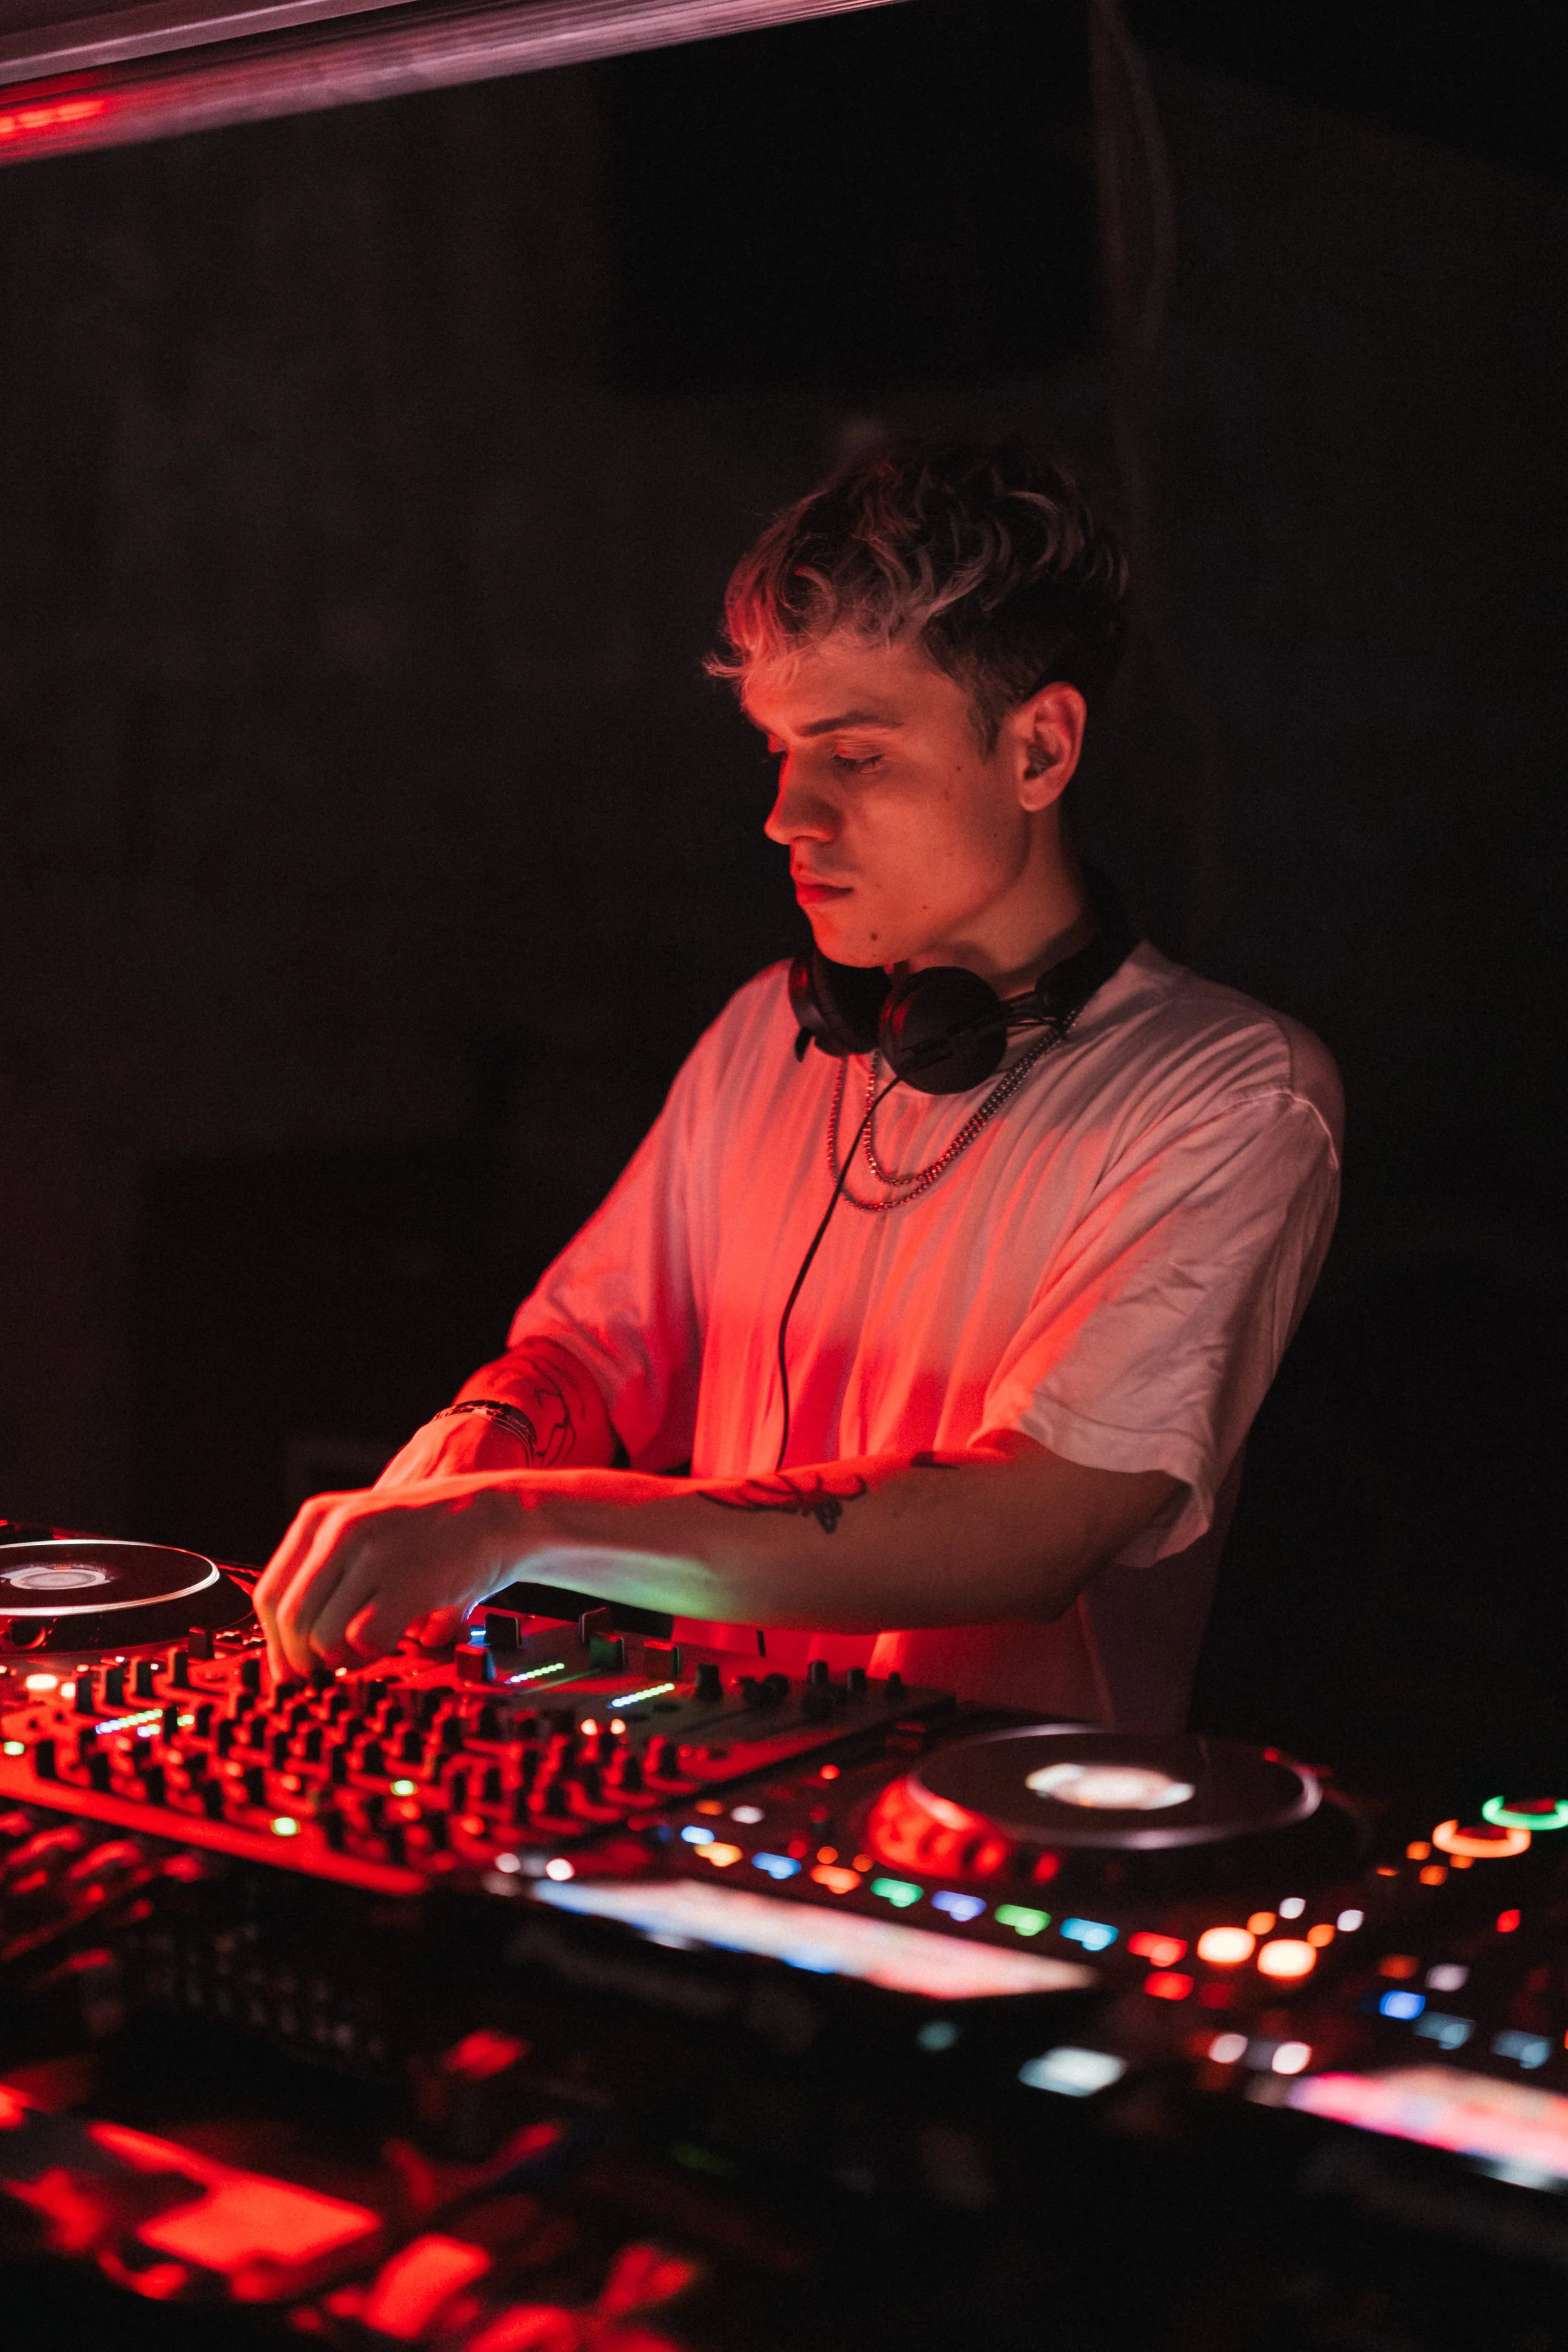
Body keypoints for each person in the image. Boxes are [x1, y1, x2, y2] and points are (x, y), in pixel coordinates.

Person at [256, 443, 1342, 1729]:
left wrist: (518, 1522)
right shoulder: (766, 1036)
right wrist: (484, 1438)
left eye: (855, 756)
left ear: (1040, 749)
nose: (787, 815)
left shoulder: (1231, 1098)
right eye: (777, 751)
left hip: (995, 1830)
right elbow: (593, 1350)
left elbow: (1034, 1527)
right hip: (714, 1790)